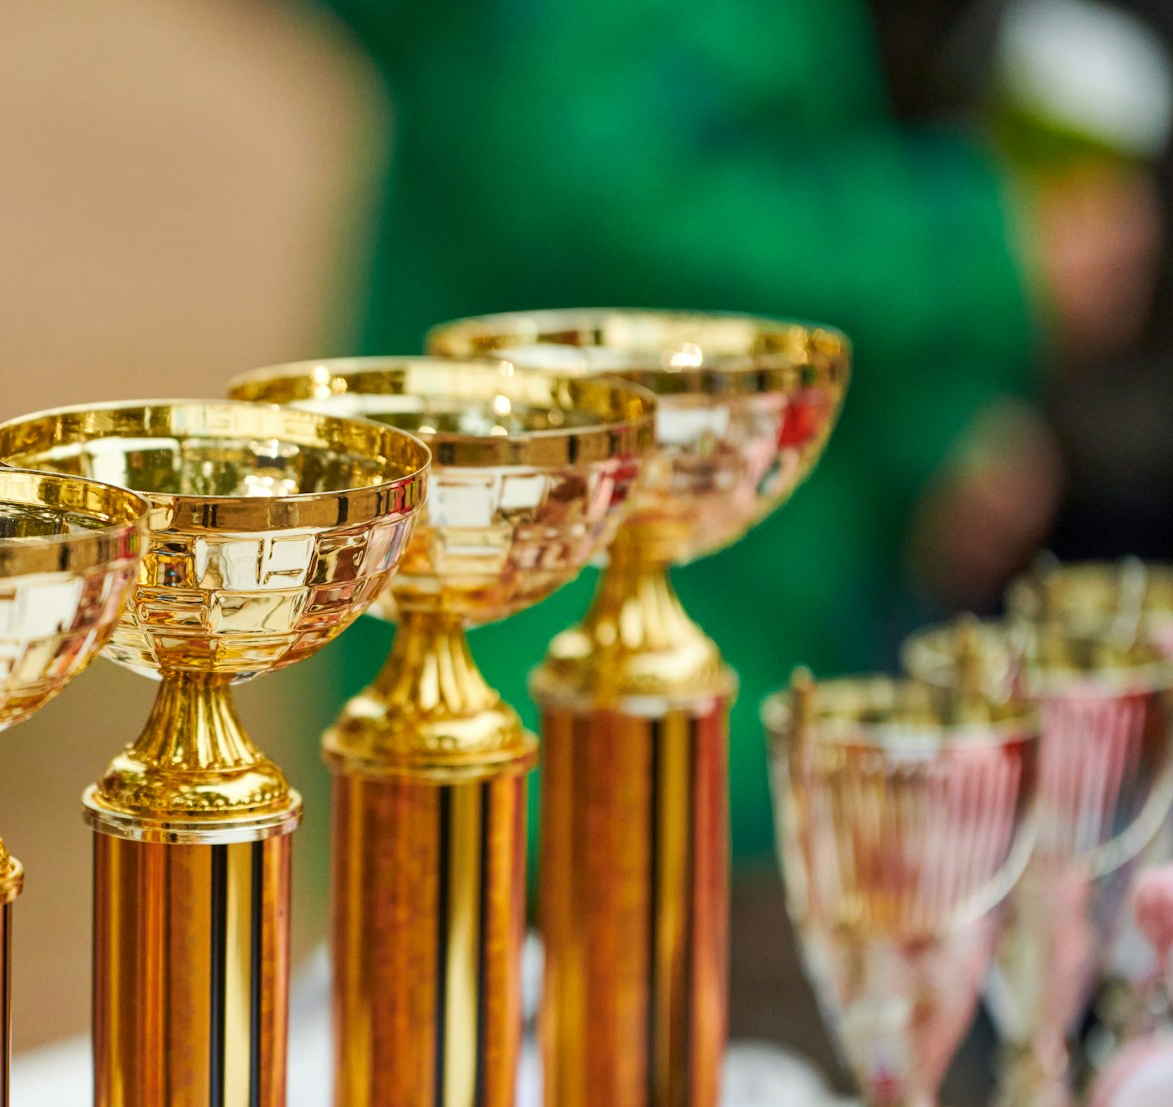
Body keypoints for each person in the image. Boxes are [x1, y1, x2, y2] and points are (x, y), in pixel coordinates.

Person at [314, 0, 1157, 859]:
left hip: (739, 617)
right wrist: (979, 251)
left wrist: (919, 427)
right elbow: (616, 193)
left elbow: (783, 134)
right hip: (562, 646)